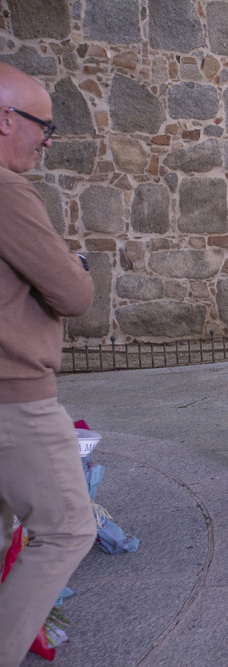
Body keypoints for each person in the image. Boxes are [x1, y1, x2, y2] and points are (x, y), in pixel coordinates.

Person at [0, 63, 97, 666]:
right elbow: (74, 295)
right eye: (43, 124)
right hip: (15, 396)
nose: (48, 137)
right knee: (68, 527)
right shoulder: (8, 191)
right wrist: (77, 269)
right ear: (5, 118)